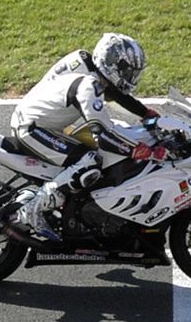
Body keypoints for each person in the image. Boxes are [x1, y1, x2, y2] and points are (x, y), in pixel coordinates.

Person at [11, 33, 167, 241]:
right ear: (112, 64)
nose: (129, 76)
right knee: (90, 161)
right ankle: (32, 210)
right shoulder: (88, 85)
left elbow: (115, 94)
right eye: (126, 71)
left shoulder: (87, 65)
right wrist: (136, 150)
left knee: (103, 146)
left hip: (49, 123)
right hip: (33, 128)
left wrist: (145, 113)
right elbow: (102, 134)